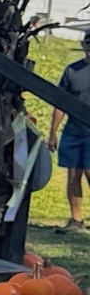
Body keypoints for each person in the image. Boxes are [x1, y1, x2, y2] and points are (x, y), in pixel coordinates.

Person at [48, 30, 90, 232]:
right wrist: (53, 132)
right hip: (73, 131)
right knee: (73, 175)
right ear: (83, 45)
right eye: (89, 42)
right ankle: (76, 220)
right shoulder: (72, 71)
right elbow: (60, 103)